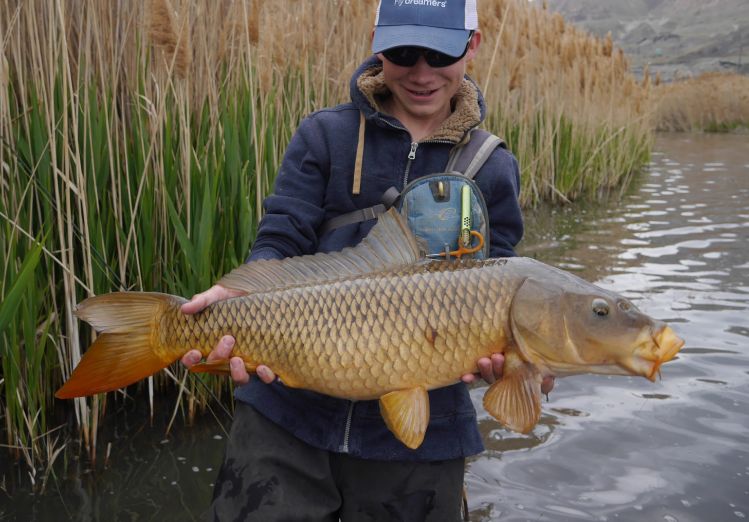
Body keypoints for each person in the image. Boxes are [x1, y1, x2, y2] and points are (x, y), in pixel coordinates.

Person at [181, 1, 553, 520]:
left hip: (422, 434)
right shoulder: (325, 134)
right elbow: (280, 236)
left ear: (472, 45)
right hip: (288, 412)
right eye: (403, 53)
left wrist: (515, 364)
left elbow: (501, 278)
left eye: (440, 52)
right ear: (378, 44)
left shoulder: (493, 166)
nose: (422, 73)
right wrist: (238, 295)